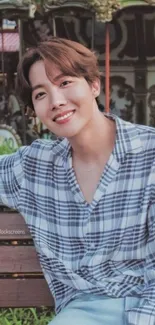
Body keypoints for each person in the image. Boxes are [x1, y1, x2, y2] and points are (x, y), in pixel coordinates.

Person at [0, 37, 155, 325]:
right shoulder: (34, 167)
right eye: (41, 94)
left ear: (94, 84)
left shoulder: (149, 154)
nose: (56, 102)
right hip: (82, 313)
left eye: (65, 82)